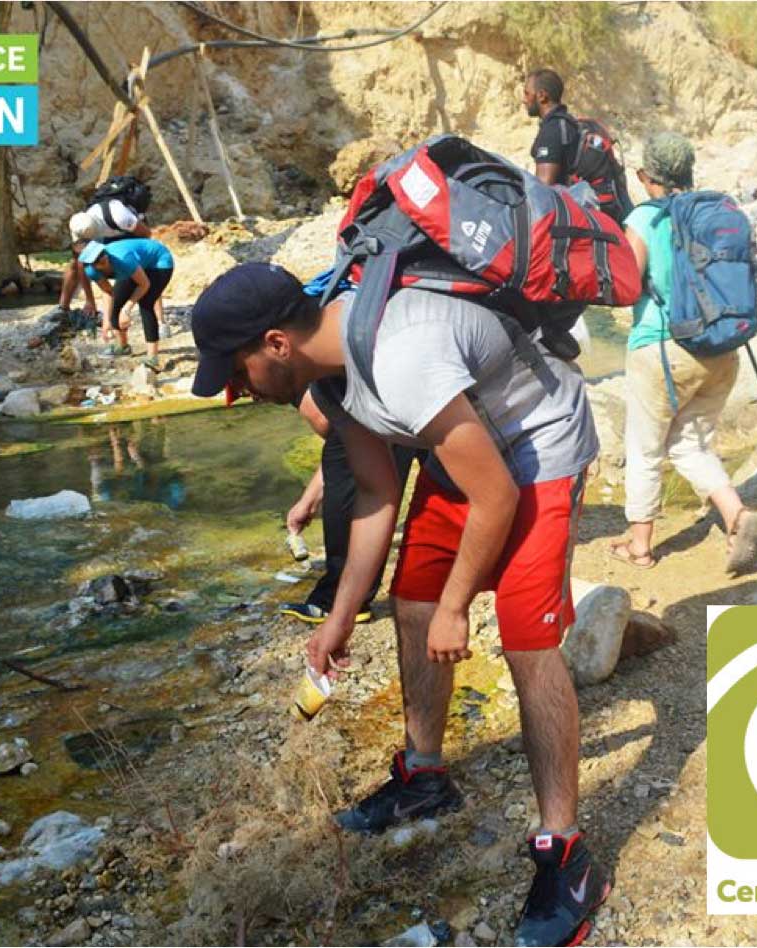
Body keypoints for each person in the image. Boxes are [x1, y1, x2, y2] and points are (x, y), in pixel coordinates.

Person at [189, 263, 610, 947]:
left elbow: (499, 495)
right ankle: (423, 776)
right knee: (410, 600)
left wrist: (457, 606)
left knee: (525, 642)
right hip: (464, 446)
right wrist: (340, 615)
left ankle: (565, 855)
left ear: (274, 342)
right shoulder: (330, 373)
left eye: (234, 371)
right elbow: (377, 494)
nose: (234, 392)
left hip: (539, 446)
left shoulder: (399, 354)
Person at [609, 131, 757, 574]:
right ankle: (737, 516)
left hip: (661, 348)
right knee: (690, 443)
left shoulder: (643, 218)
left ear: (644, 176)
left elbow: (627, 284)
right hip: (721, 347)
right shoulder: (710, 213)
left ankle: (639, 547)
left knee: (645, 447)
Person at [279, 392, 423, 624]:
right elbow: (343, 440)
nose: (254, 398)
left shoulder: (310, 385)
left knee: (362, 485)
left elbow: (341, 439)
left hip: (383, 406)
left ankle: (339, 601)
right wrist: (310, 499)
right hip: (405, 400)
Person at [56, 197, 153, 335]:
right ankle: (63, 308)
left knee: (140, 273)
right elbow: (81, 262)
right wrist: (90, 301)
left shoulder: (119, 216)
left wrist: (136, 260)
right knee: (73, 265)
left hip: (126, 234)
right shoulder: (80, 225)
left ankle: (157, 318)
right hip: (106, 240)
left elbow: (146, 234)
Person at [78, 238, 176, 369]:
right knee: (116, 303)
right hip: (135, 266)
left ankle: (152, 357)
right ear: (92, 265)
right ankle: (123, 346)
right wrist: (106, 321)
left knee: (146, 303)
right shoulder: (91, 271)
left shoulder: (122, 258)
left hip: (158, 261)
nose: (104, 259)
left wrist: (127, 309)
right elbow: (108, 292)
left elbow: (144, 284)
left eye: (103, 254)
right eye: (99, 261)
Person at [523, 68, 578, 186]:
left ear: (542, 96)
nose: (524, 100)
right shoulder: (566, 122)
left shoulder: (552, 131)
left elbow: (543, 189)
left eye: (527, 94)